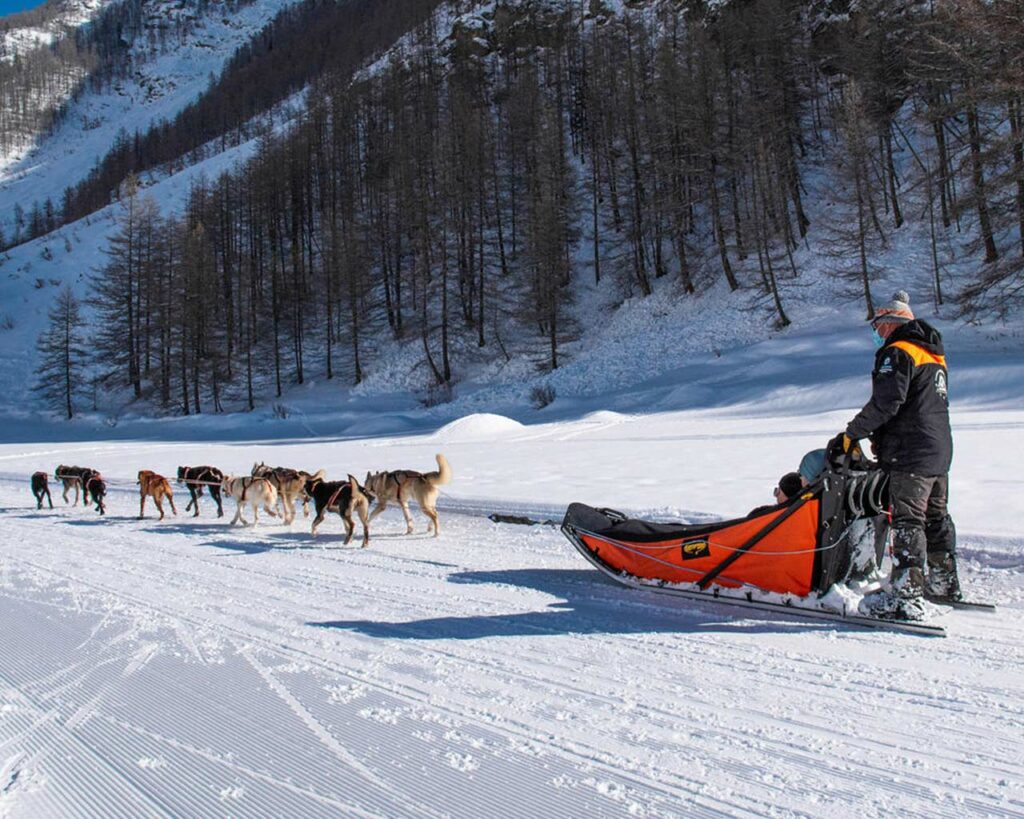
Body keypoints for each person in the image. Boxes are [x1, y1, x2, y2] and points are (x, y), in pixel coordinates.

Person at [828, 290, 960, 619]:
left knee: (907, 521)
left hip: (911, 452)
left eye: (878, 325)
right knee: (936, 517)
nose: (876, 332)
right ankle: (943, 582)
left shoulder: (898, 352)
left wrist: (851, 433)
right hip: (938, 450)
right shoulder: (932, 354)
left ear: (891, 323)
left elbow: (887, 402)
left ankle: (905, 594)